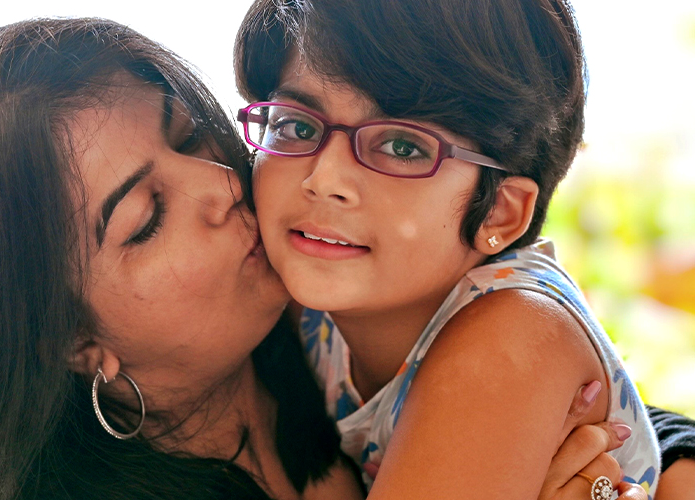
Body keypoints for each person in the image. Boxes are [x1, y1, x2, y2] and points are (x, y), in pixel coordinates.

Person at [0, 15, 673, 500]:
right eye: (146, 218)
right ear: (70, 343)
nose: (220, 185)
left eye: (193, 138)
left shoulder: (322, 311)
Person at [233, 0, 692, 499]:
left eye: (402, 147)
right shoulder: (298, 298)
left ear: (499, 212)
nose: (324, 179)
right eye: (296, 127)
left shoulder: (512, 334)